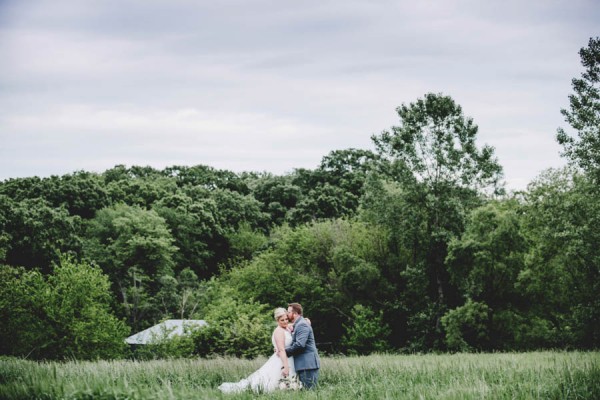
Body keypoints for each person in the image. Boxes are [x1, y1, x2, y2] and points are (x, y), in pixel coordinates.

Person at [218, 308, 297, 393]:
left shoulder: (285, 328)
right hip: (282, 359)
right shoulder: (279, 331)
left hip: (288, 357)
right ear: (277, 320)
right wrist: (285, 367)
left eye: (286, 319)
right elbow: (281, 350)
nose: (285, 322)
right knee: (272, 381)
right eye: (282, 320)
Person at [285, 302, 320, 389]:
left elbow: (300, 345)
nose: (287, 314)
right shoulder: (299, 324)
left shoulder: (302, 325)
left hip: (307, 364)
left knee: (309, 392)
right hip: (303, 364)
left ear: (295, 313)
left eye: (288, 312)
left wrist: (284, 352)